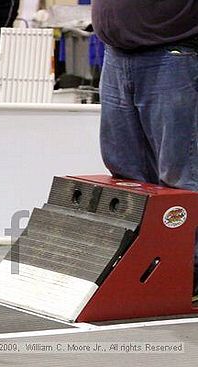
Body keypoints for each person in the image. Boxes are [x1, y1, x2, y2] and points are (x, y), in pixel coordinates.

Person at [92, 1, 198, 294]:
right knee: (125, 174)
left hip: (173, 53)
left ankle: (187, 273)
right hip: (116, 52)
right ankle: (140, 268)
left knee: (180, 176)